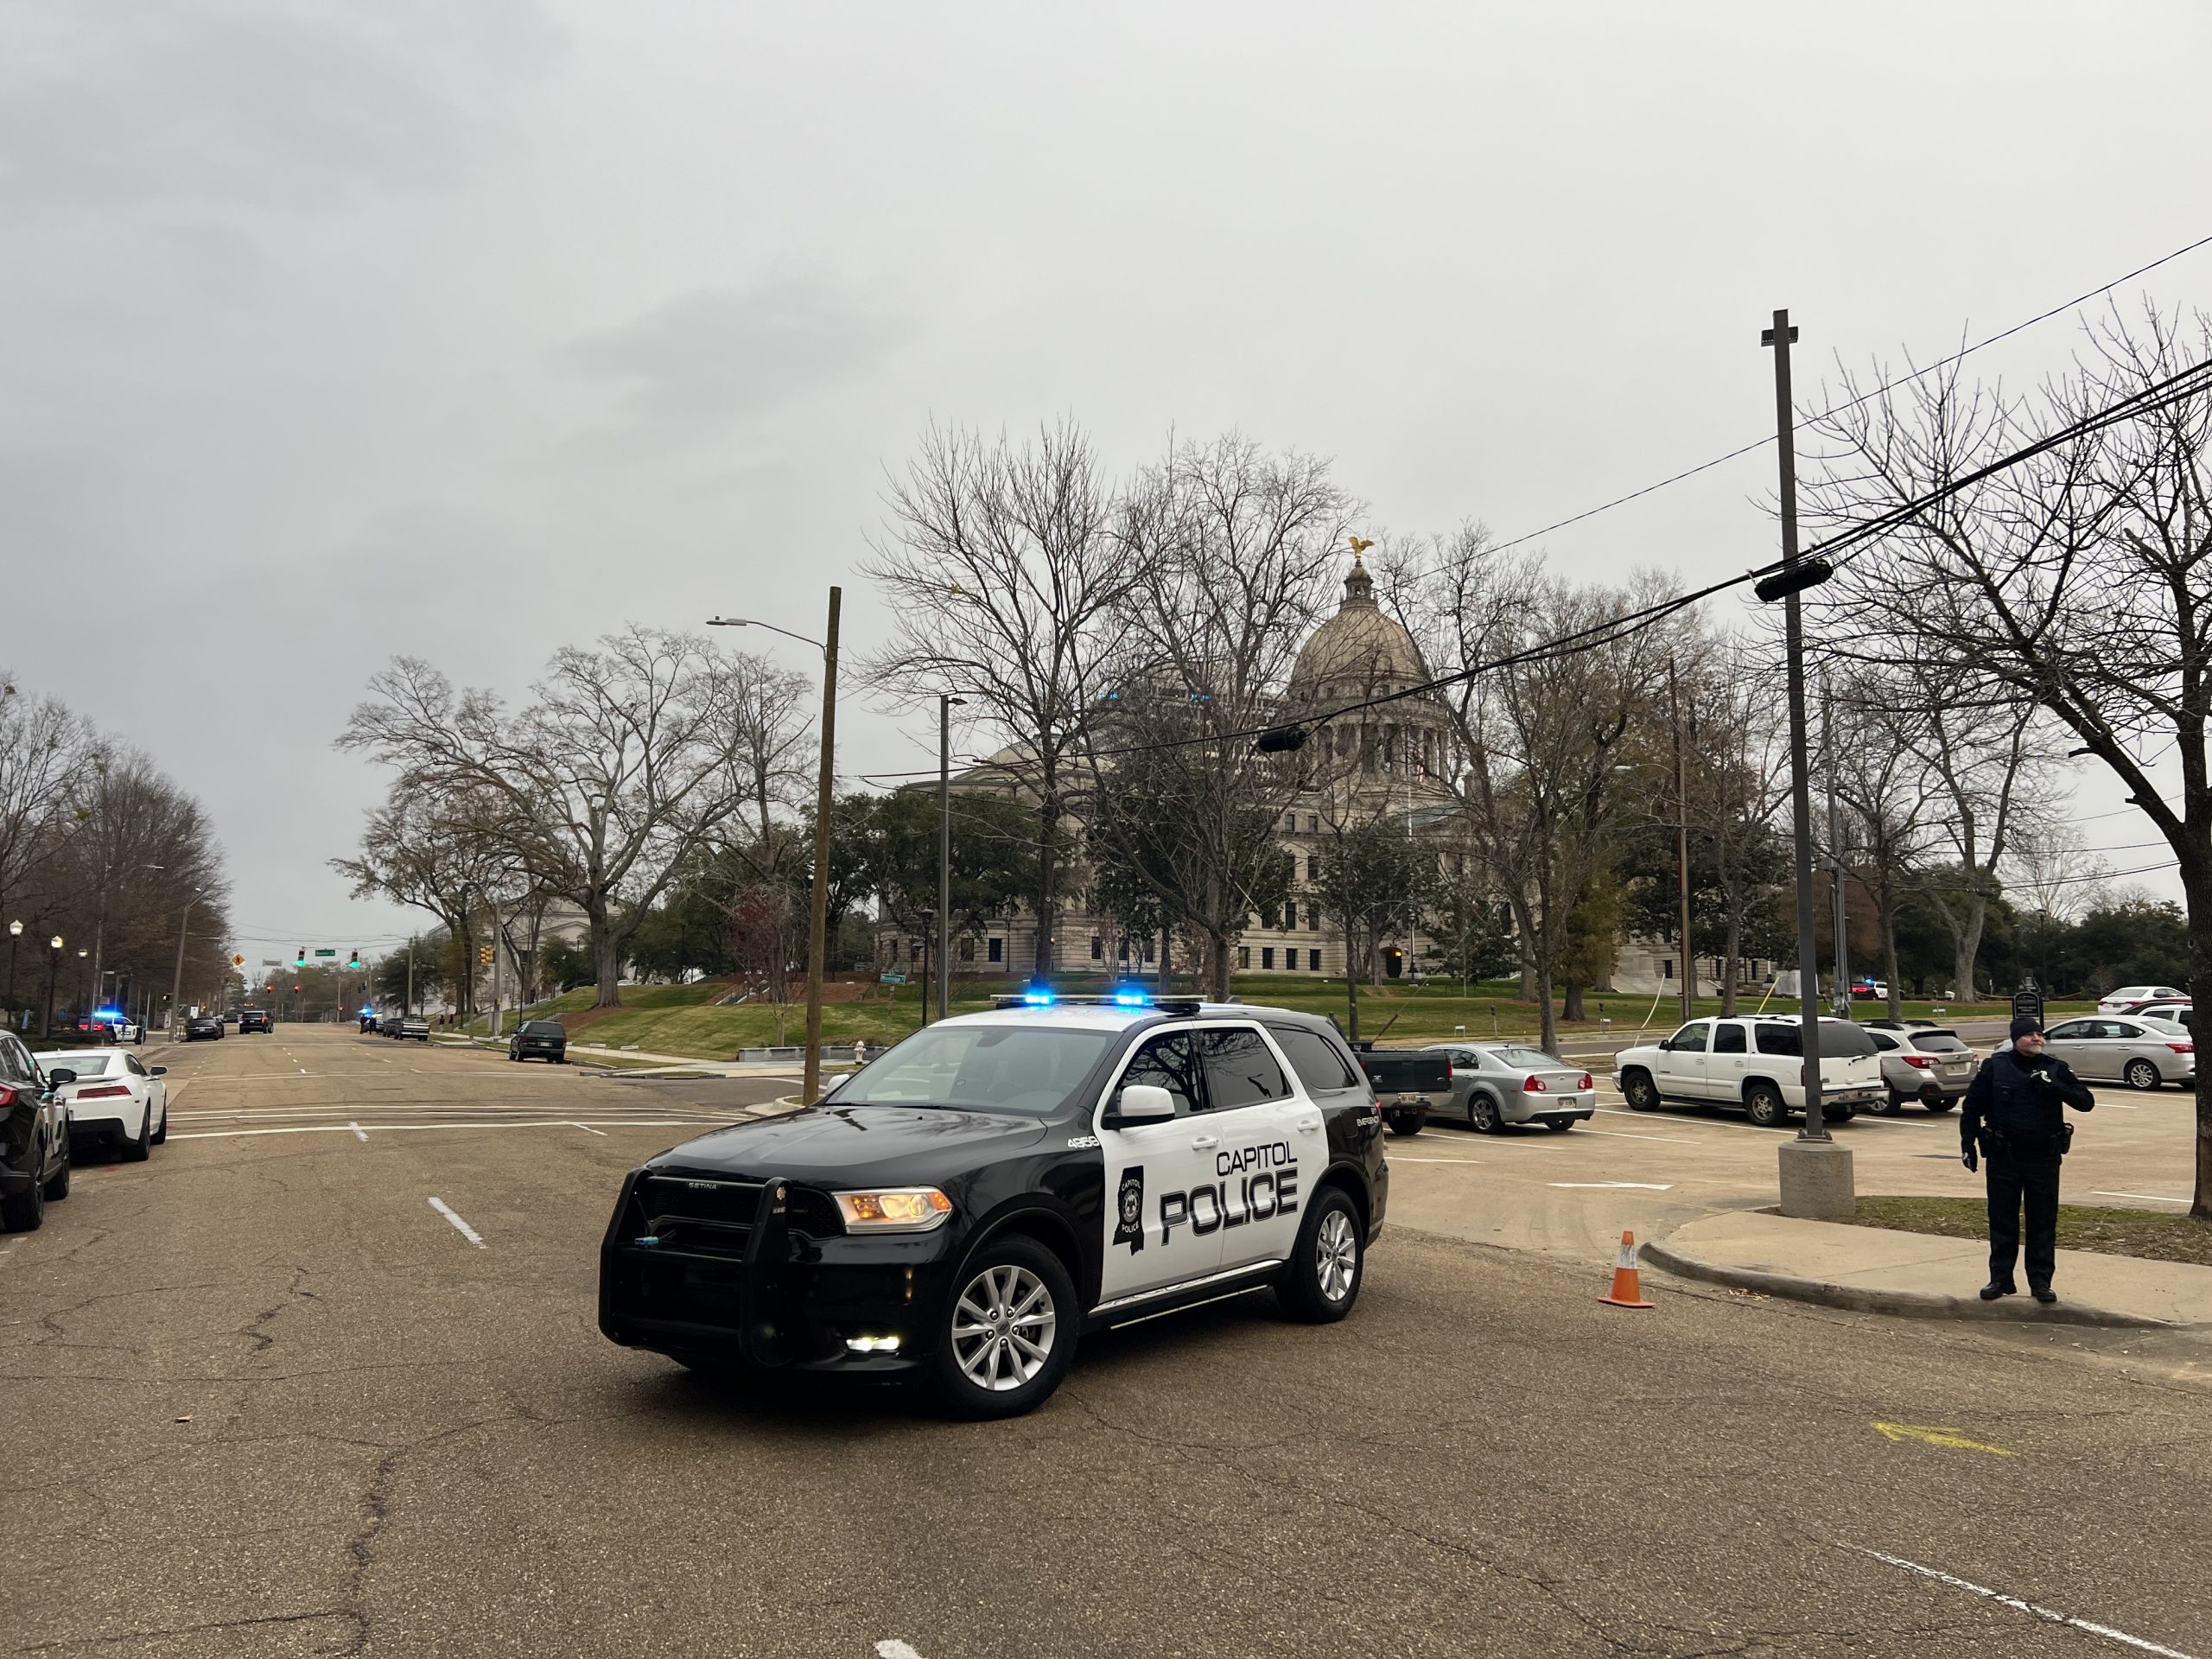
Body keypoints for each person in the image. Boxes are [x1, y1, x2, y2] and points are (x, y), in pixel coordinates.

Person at [1959, 1015, 2094, 1304]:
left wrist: (2055, 1087)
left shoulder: (2054, 1068)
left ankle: (2041, 1282)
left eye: (2040, 1034)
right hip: (2003, 1156)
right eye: (2030, 1034)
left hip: (2042, 1158)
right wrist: (1967, 1144)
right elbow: (1971, 1108)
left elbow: (2086, 1102)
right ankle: (2000, 1279)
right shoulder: (1995, 1067)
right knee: (2002, 1219)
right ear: (2016, 1038)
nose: (2037, 1039)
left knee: (2042, 1221)